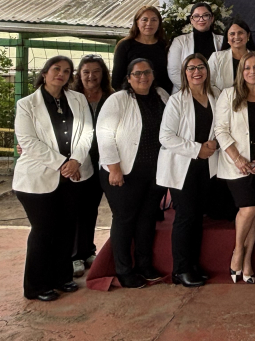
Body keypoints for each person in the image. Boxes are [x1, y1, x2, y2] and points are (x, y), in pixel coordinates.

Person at [13, 56, 94, 301]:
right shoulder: (27, 104)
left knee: (67, 228)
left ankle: (62, 277)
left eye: (67, 71)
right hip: (36, 178)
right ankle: (36, 286)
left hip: (74, 175)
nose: (61, 73)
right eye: (56, 69)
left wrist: (76, 160)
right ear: (45, 72)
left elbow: (87, 132)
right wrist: (62, 164)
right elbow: (28, 141)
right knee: (43, 231)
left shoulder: (78, 99)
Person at [97, 58, 170, 289]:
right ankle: (124, 270)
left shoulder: (162, 95)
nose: (143, 77)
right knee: (125, 219)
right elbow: (104, 134)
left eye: (147, 72)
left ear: (153, 74)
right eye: (137, 73)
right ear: (128, 78)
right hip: (124, 172)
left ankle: (144, 265)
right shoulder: (118, 100)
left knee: (147, 219)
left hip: (155, 172)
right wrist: (114, 168)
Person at [157, 54, 219, 288]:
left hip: (206, 165)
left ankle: (192, 265)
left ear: (207, 70)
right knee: (185, 217)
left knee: (197, 217)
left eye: (200, 67)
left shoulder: (215, 95)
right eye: (191, 68)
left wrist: (215, 144)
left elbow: (222, 127)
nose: (196, 72)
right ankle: (180, 270)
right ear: (184, 73)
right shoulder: (177, 100)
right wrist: (197, 149)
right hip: (182, 165)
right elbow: (166, 136)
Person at [215, 51, 255, 284]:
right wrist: (237, 158)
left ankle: (247, 261)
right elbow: (220, 130)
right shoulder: (229, 95)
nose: (252, 71)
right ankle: (238, 251)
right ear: (241, 71)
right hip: (236, 164)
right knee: (248, 208)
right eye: (247, 68)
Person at [69, 55, 114, 277]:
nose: (91, 76)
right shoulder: (72, 98)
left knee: (92, 207)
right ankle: (75, 255)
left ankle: (88, 250)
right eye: (86, 72)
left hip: (106, 160)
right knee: (78, 208)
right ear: (79, 74)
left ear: (103, 74)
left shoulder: (112, 97)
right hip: (79, 159)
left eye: (96, 71)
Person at [111, 6, 172, 94]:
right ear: (137, 22)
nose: (149, 23)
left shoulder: (165, 45)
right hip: (131, 96)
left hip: (161, 96)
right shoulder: (125, 45)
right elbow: (117, 79)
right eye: (144, 20)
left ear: (159, 23)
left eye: (154, 20)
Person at [167, 2, 224, 93]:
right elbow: (174, 71)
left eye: (205, 15)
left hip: (216, 93)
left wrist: (213, 92)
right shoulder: (179, 41)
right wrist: (194, 92)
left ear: (212, 18)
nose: (201, 19)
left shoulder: (222, 41)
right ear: (191, 19)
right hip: (185, 92)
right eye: (196, 16)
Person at [209, 17, 255, 93]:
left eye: (240, 33)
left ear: (248, 35)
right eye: (232, 34)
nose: (236, 37)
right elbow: (209, 83)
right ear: (227, 37)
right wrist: (224, 97)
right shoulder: (216, 58)